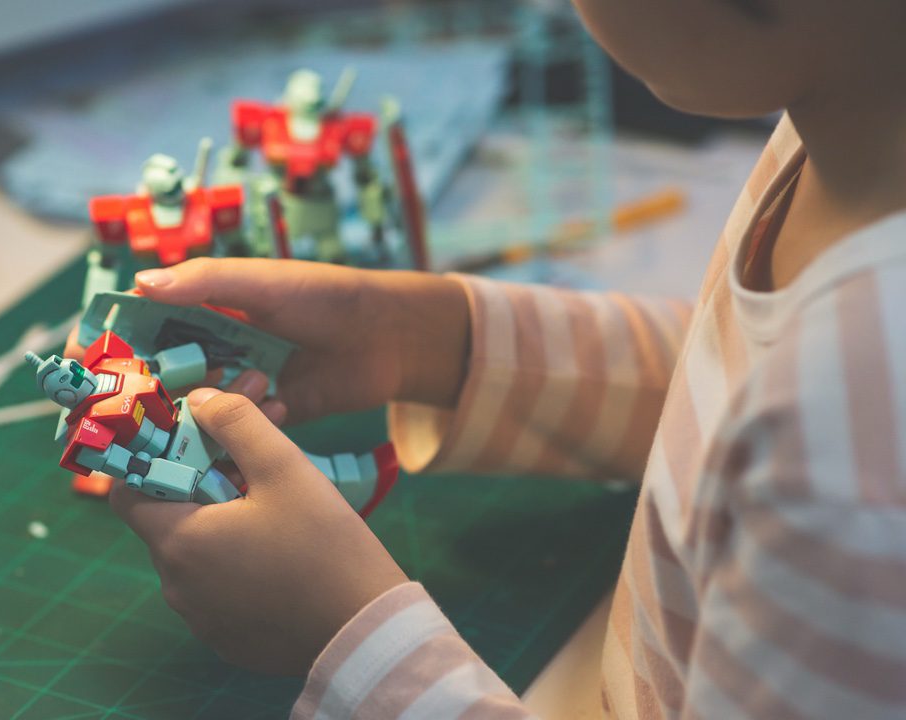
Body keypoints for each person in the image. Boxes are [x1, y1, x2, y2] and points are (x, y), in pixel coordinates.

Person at [92, 0, 906, 716]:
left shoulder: (851, 459)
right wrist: (435, 340)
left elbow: (799, 432)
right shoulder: (847, 115)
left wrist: (347, 646)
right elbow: (739, 392)